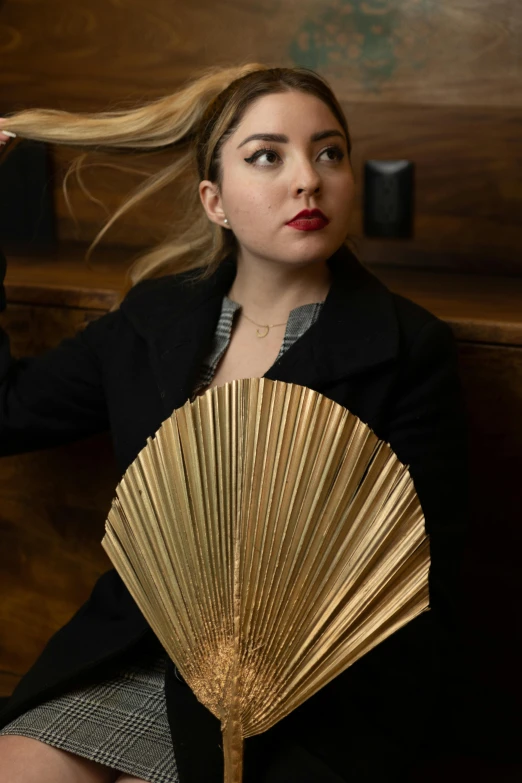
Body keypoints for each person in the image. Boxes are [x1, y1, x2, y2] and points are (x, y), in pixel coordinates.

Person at [0, 64, 470, 782]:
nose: (307, 179)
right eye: (267, 156)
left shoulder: (408, 347)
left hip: (311, 692)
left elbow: (419, 573)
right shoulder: (153, 320)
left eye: (329, 152)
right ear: (214, 200)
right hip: (140, 651)